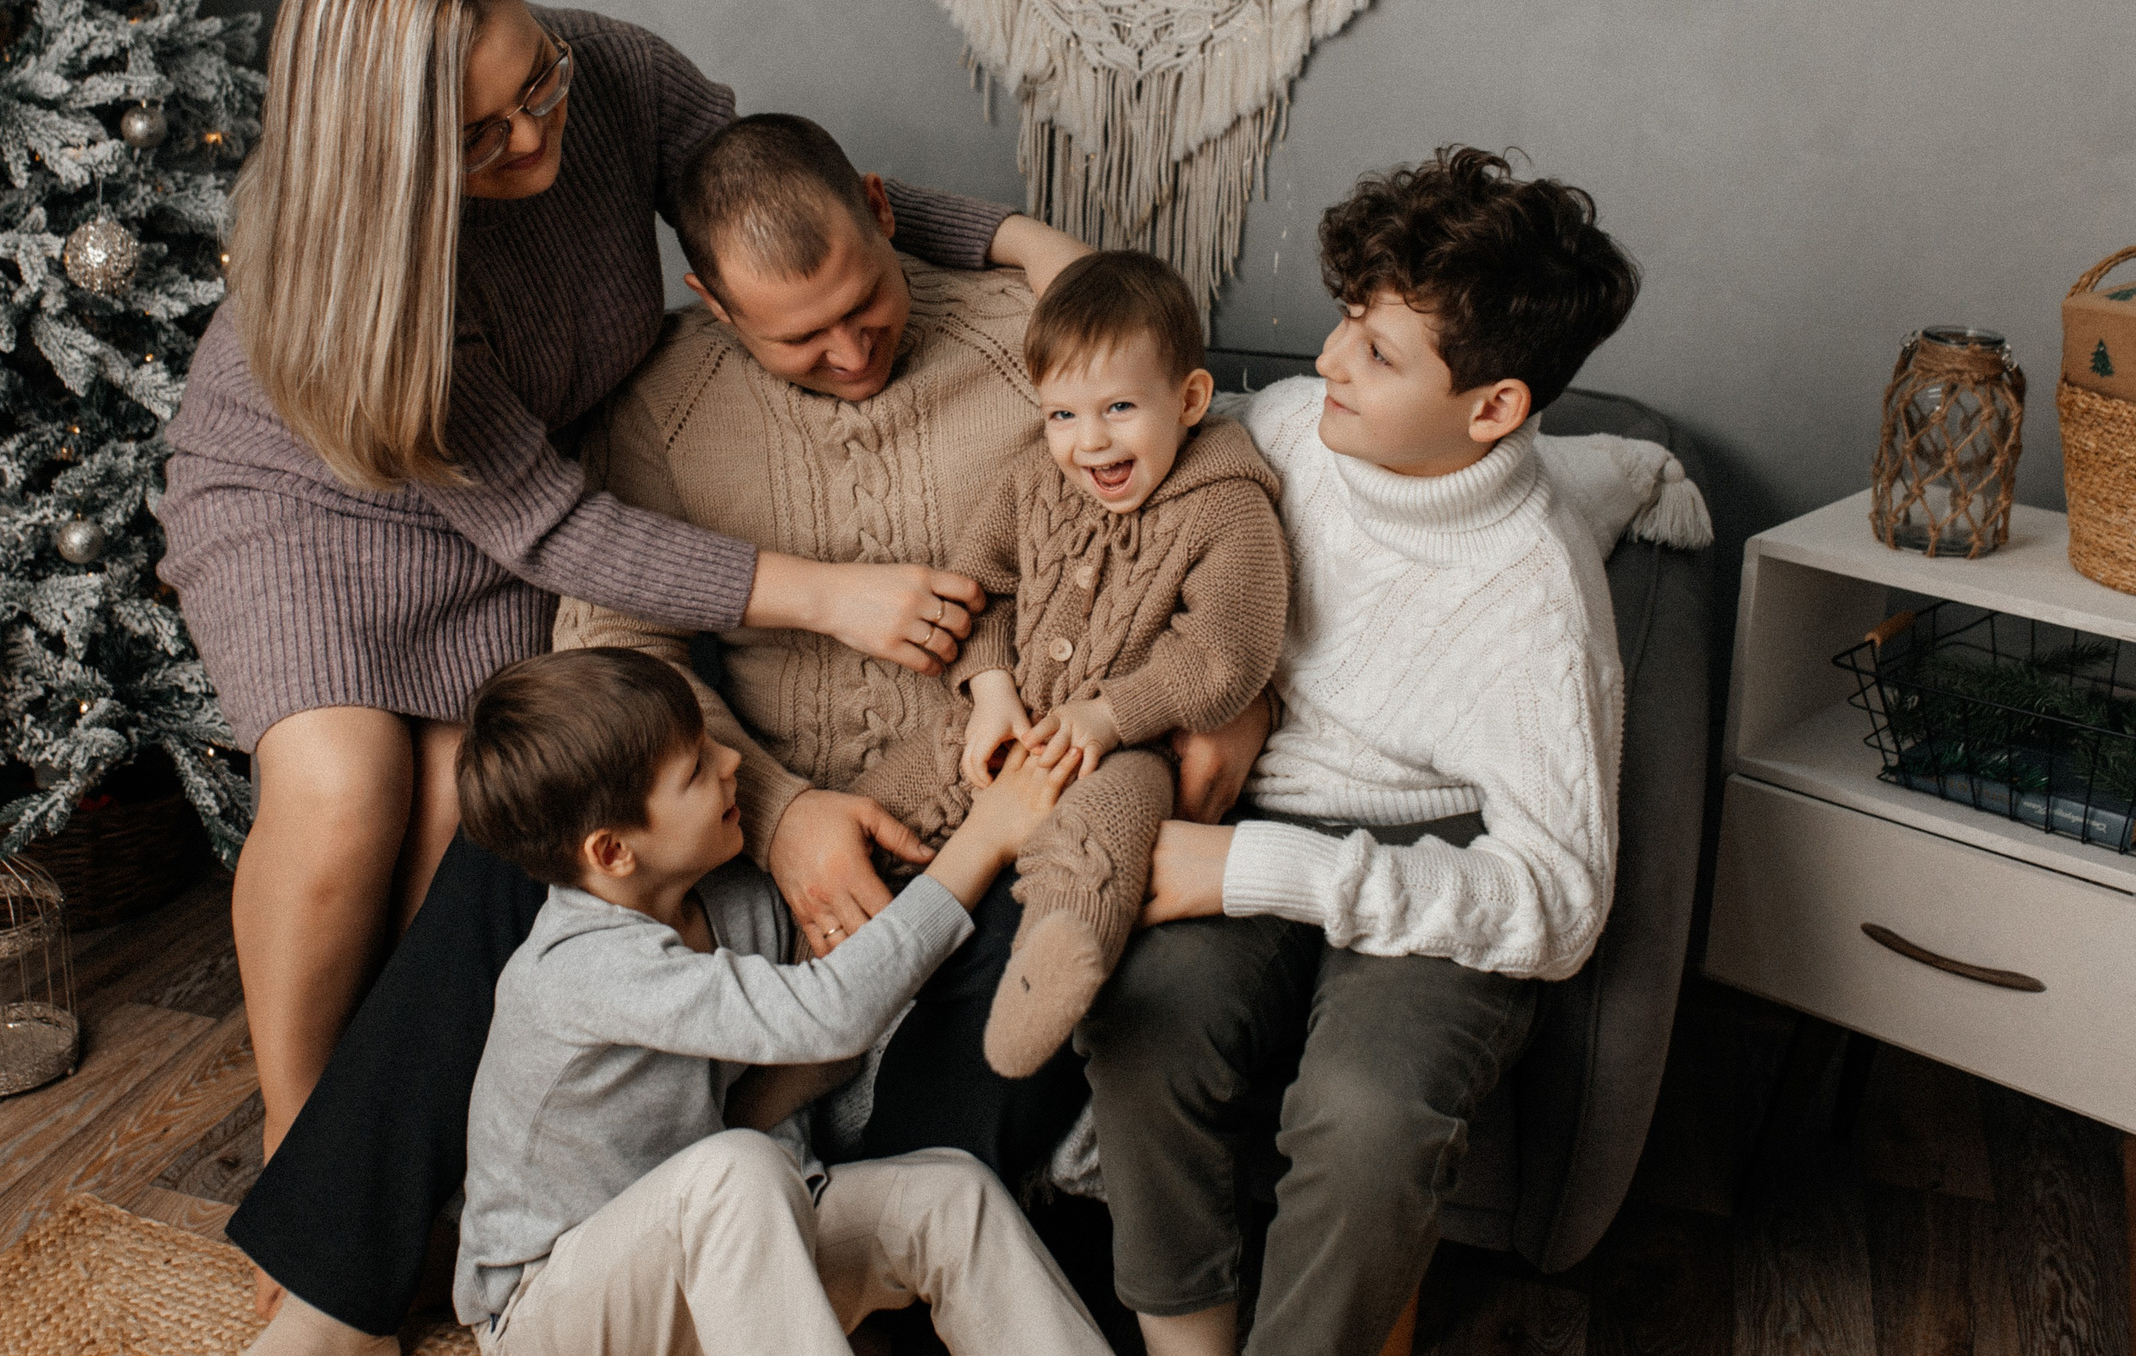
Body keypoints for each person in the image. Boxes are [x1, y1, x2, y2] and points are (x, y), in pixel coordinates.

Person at [223, 113, 1270, 1338]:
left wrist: (1236, 701)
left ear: (885, 217)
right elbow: (618, 649)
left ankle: (862, 1291)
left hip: (980, 799)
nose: (849, 349)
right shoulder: (664, 408)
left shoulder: (1017, 345)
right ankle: (329, 1290)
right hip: (741, 806)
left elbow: (1189, 448)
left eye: (865, 304)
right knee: (507, 850)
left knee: (1007, 983)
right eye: (800, 337)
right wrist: (778, 816)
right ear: (714, 307)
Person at [156, 0, 1089, 1177]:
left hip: (526, 488)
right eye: (479, 134)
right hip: (316, 498)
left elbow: (776, 197)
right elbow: (551, 531)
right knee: (344, 790)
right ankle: (305, 1145)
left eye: (534, 76)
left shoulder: (615, 75)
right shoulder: (361, 266)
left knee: (461, 807)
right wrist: (824, 596)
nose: (535, 131)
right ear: (393, 154)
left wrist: (1016, 239)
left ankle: (421, 1132)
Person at [1078, 146, 1642, 1356]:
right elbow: (1160, 471)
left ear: (1492, 410)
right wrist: (1230, 698)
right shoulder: (1285, 429)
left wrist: (1255, 874)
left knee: (1369, 1113)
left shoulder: (1542, 606)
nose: (1326, 359)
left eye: (1377, 354)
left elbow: (1559, 899)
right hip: (1260, 803)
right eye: (1346, 322)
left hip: (1447, 858)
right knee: (1141, 1027)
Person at [250, 647, 1112, 1356]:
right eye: (698, 768)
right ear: (613, 850)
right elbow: (829, 1011)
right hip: (557, 1309)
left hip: (718, 1261)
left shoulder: (735, 902)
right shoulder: (577, 966)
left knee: (948, 1197)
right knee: (734, 1172)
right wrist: (989, 835)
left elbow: (803, 1052)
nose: (735, 763)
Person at [844, 250, 1287, 1076]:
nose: (1090, 443)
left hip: (1128, 751)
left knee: (1102, 847)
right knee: (881, 800)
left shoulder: (1228, 504)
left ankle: (1050, 966)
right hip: (1005, 723)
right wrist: (989, 688)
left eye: (1119, 408)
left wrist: (1111, 715)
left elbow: (1227, 652)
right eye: (1063, 415)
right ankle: (825, 968)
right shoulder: (1029, 483)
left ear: (1189, 399)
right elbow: (981, 591)